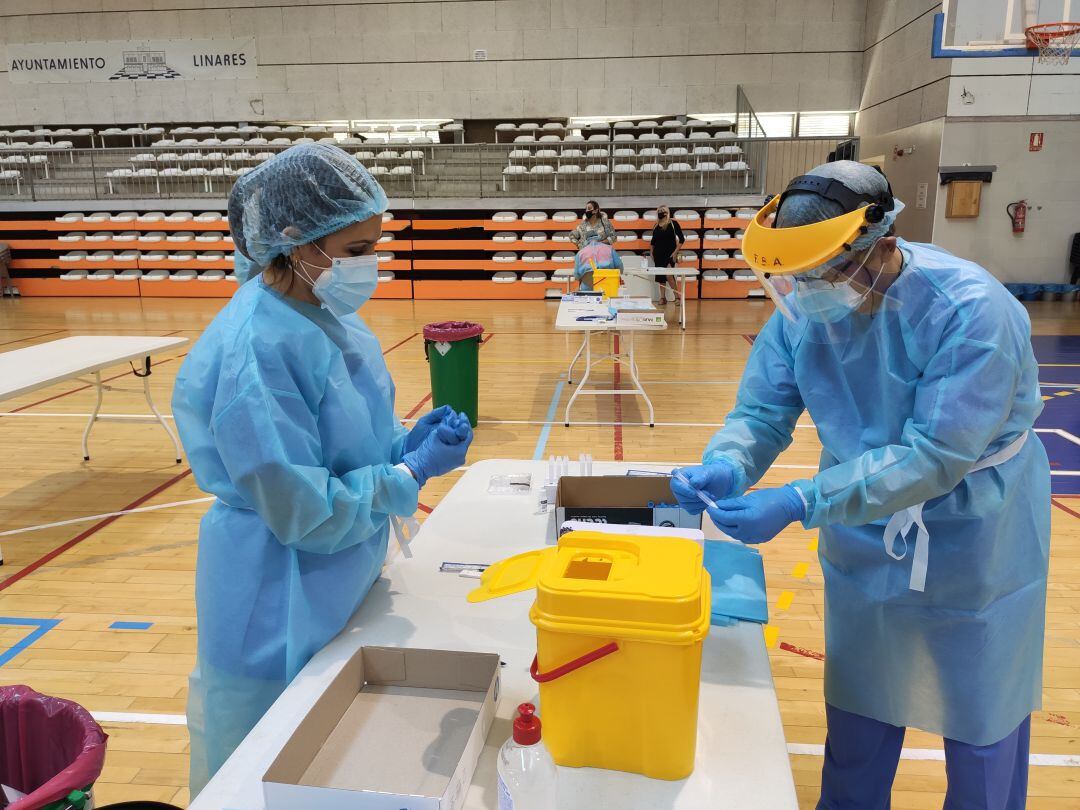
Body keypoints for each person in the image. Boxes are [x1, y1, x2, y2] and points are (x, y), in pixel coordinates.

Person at [672, 160, 1049, 809]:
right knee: (861, 704)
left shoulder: (973, 313)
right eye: (797, 277)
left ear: (885, 248)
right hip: (864, 531)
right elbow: (763, 411)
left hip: (976, 534)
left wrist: (801, 500)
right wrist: (729, 462)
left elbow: (935, 457)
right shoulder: (804, 309)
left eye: (824, 274)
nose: (808, 291)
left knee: (982, 717)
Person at [172, 143, 474, 796]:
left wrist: (401, 445)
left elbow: (342, 444)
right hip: (272, 598)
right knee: (261, 776)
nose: (370, 264)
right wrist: (412, 474)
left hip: (336, 584)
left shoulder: (326, 317)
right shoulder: (257, 347)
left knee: (331, 766)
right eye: (357, 249)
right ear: (295, 240)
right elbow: (304, 510)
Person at [649, 206, 684, 304]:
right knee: (661, 277)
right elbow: (653, 241)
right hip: (658, 255)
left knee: (669, 275)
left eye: (662, 211)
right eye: (659, 211)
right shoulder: (656, 225)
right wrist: (651, 252)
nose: (660, 212)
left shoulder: (673, 224)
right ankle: (662, 298)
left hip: (670, 254)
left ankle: (677, 297)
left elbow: (681, 239)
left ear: (667, 213)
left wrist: (675, 252)